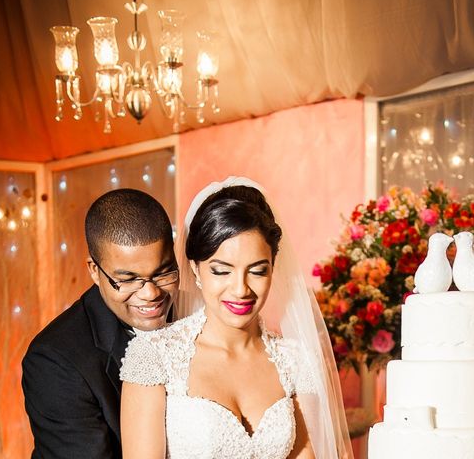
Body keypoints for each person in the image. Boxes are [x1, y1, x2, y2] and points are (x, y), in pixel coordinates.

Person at [120, 177, 353, 459]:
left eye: (257, 271)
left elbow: (305, 453)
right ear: (195, 268)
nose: (241, 289)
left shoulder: (296, 361)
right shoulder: (155, 355)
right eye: (221, 271)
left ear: (273, 268)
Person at [21, 189, 179, 458]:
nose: (150, 293)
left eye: (163, 273)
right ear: (94, 270)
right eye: (128, 279)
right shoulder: (55, 360)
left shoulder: (198, 316)